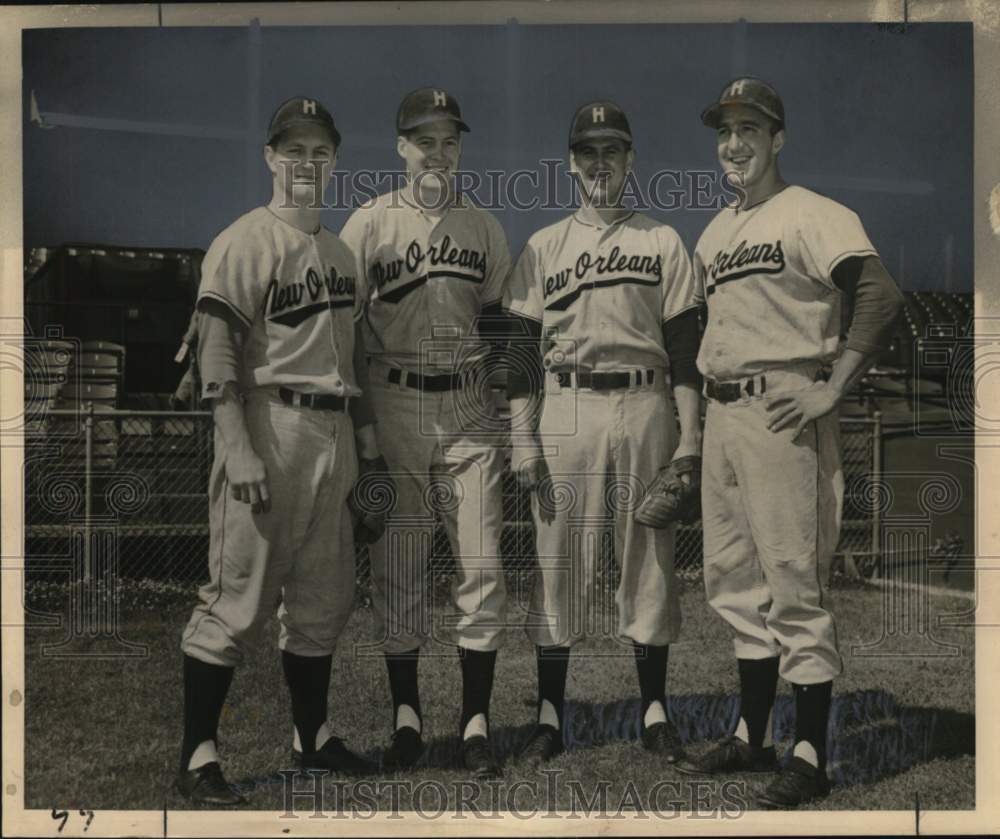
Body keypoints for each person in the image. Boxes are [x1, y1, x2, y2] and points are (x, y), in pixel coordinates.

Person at [674, 77, 904, 808]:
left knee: (794, 585)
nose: (734, 143)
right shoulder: (714, 230)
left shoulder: (813, 213)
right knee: (734, 583)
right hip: (724, 415)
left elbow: (880, 292)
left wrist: (831, 386)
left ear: (778, 138)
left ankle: (809, 752)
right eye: (724, 131)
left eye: (750, 128)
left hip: (783, 411)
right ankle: (752, 735)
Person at [174, 97, 381, 805]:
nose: (305, 162)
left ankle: (311, 738)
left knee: (324, 600)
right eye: (292, 149)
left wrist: (364, 448)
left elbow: (352, 356)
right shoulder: (244, 239)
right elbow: (217, 348)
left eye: (319, 150)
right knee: (237, 597)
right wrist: (236, 447)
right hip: (270, 423)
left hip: (332, 429)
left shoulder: (341, 252)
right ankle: (197, 754)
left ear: (334, 160)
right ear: (270, 157)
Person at [502, 101, 703, 767]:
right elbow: (522, 360)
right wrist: (522, 437)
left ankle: (653, 710)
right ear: (570, 164)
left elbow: (684, 349)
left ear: (630, 160)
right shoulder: (542, 246)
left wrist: (688, 438)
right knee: (556, 559)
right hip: (566, 407)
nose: (599, 163)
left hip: (646, 402)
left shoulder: (663, 241)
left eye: (611, 150)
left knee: (649, 557)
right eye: (587, 152)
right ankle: (550, 715)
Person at [339, 87, 511, 780]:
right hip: (396, 397)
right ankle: (407, 717)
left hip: (469, 405)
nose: (438, 151)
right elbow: (347, 330)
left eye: (449, 139)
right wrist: (366, 433)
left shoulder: (485, 227)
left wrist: (501, 397)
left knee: (483, 563)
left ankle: (474, 720)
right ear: (400, 146)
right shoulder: (369, 224)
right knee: (400, 566)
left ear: (459, 147)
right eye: (424, 138)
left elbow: (500, 325)